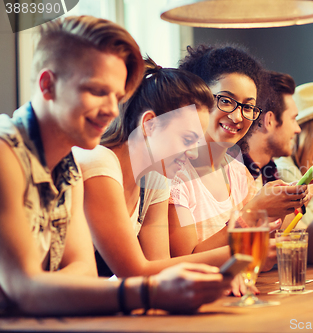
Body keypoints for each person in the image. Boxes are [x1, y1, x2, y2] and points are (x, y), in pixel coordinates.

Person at [0, 16, 229, 316]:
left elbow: (82, 271)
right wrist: (148, 292)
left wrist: (44, 288)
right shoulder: (6, 153)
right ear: (47, 85)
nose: (111, 109)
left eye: (117, 96)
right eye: (97, 91)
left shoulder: (67, 165)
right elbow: (25, 290)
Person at [72, 58, 234, 279]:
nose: (195, 153)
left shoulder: (155, 178)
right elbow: (134, 271)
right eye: (188, 139)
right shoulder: (99, 161)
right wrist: (240, 252)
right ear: (149, 124)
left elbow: (158, 269)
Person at [168, 45, 308, 261]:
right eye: (225, 100)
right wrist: (251, 213)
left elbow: (263, 261)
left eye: (248, 106)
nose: (237, 117)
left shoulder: (238, 173)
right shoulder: (174, 173)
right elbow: (184, 261)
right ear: (196, 96)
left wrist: (283, 207)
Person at [239, 72, 313, 263]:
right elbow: (284, 252)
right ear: (269, 121)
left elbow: (296, 247)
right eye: (293, 119)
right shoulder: (238, 170)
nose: (297, 128)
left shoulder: (269, 171)